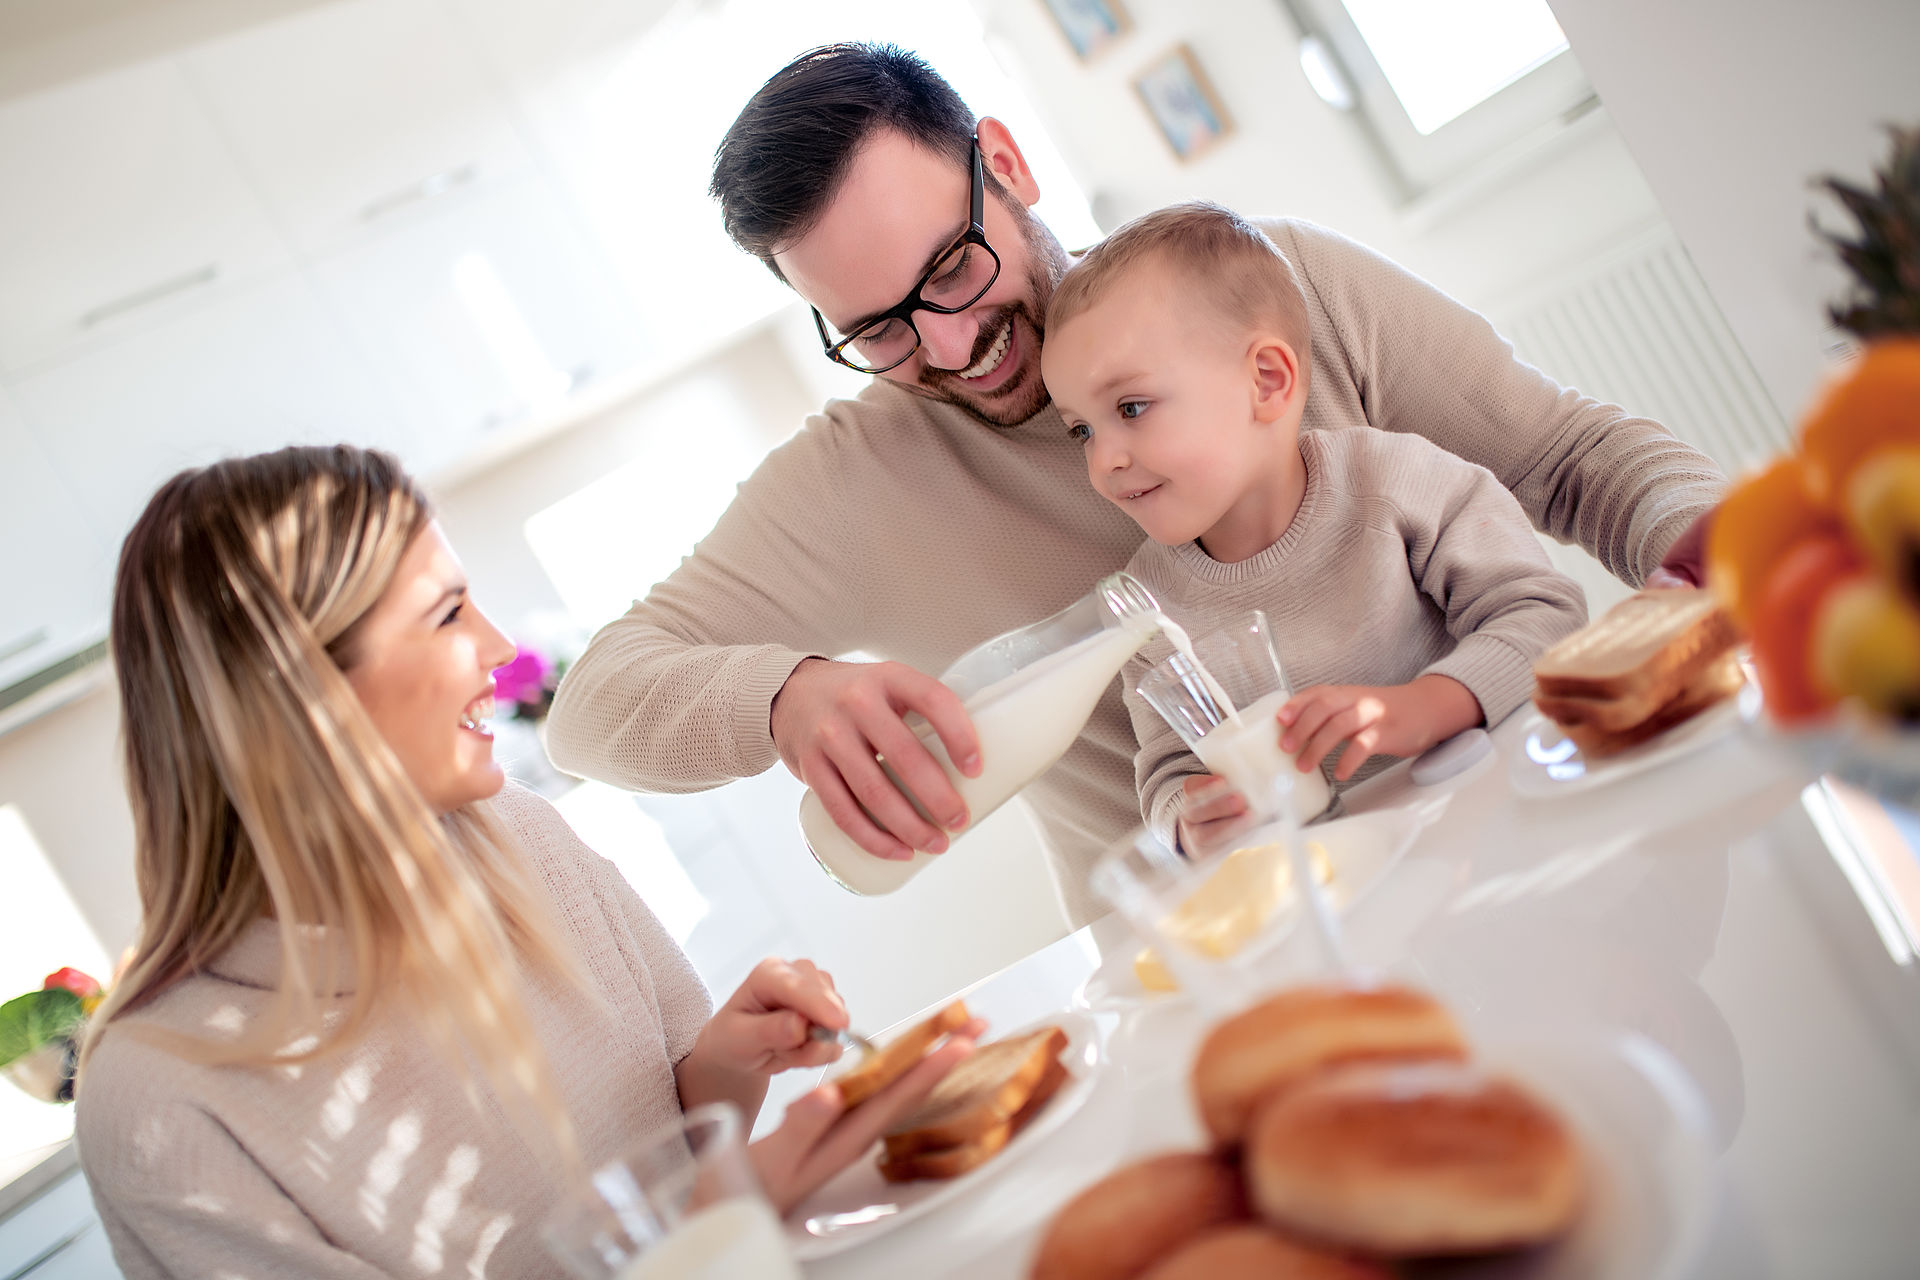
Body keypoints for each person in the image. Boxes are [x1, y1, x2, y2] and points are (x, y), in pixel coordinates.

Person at [545, 44, 1725, 925]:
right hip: (1230, 965)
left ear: (1003, 164)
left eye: (953, 269)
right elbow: (591, 709)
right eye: (881, 329)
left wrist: (1739, 552)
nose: (951, 350)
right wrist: (783, 697)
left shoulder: (1270, 285)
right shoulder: (851, 484)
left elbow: (1573, 458)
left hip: (1508, 852)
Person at [75, 446, 980, 1278]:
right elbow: (693, 1225)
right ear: (301, 697)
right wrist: (723, 1230)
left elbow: (672, 1144)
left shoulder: (521, 835)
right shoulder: (162, 1096)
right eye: (446, 614)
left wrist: (731, 1061)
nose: (503, 651)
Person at [1041, 202, 1588, 851]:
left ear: (1267, 381)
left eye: (1131, 408)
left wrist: (1425, 707)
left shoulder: (1396, 482)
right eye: (1081, 430)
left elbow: (1547, 619)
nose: (1103, 462)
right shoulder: (1147, 608)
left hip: (1512, 832)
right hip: (1356, 898)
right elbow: (1167, 770)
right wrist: (1186, 822)